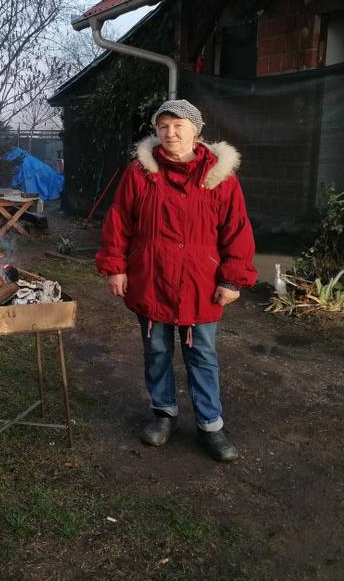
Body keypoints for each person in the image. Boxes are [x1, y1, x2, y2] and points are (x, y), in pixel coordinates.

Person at [96, 99, 256, 463]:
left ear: (196, 132)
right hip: (150, 276)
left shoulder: (220, 175)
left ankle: (210, 425)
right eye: (164, 126)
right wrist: (116, 266)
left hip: (200, 282)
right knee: (156, 351)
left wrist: (233, 279)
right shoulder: (140, 172)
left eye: (178, 126)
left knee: (202, 354)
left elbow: (237, 229)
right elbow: (119, 220)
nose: (170, 133)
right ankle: (163, 413)